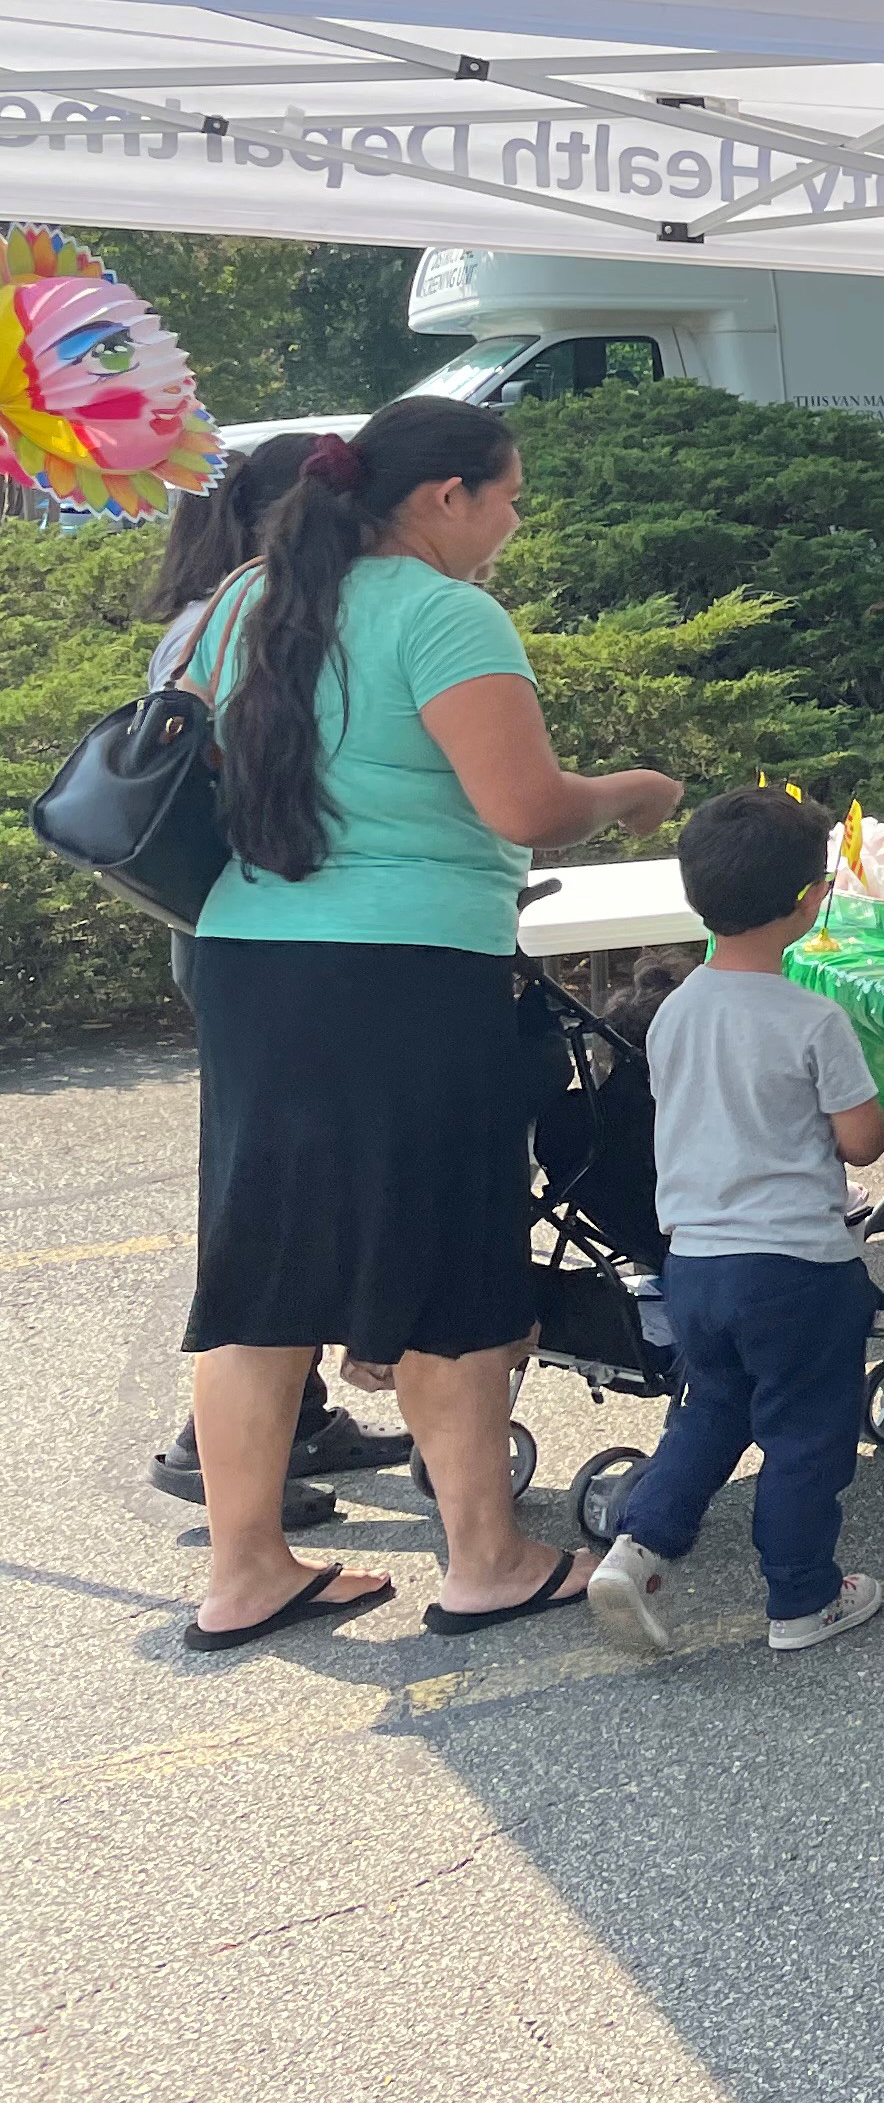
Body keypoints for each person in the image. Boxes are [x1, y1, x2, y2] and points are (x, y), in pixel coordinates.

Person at [178, 397, 681, 1652]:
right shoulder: (446, 614)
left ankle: (245, 1572)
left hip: (250, 966)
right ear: (444, 495)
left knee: (260, 1272)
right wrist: (627, 794)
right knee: (453, 1259)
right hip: (401, 977)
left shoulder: (246, 599)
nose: (511, 525)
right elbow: (523, 806)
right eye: (507, 498)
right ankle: (489, 1557)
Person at [137, 429, 410, 1523]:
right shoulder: (244, 621)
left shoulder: (212, 617)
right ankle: (216, 1447)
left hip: (227, 928)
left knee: (274, 1179)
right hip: (261, 933)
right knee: (272, 1194)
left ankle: (290, 1422)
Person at [584, 790, 884, 1657]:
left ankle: (639, 1546)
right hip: (797, 1267)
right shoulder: (813, 1018)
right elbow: (863, 1144)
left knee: (710, 1409)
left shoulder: (676, 1010)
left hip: (696, 1265)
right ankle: (802, 1597)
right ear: (812, 896)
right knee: (805, 1432)